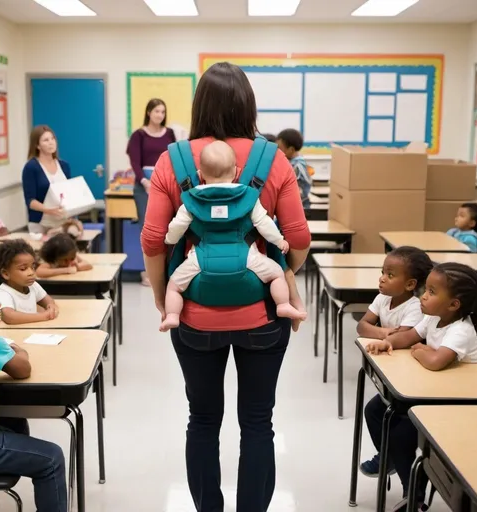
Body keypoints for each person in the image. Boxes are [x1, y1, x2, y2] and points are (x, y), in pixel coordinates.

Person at [141, 62, 310, 512]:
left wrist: (164, 296)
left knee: (202, 420)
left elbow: (154, 239)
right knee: (258, 422)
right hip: (262, 315)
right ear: (248, 105)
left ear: (199, 105)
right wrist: (283, 274)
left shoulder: (172, 160)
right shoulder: (272, 158)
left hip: (194, 317)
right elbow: (298, 238)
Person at [365, 262, 477, 512]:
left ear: (454, 305)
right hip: (433, 392)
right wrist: (389, 342)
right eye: (425, 289)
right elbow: (409, 336)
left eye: (431, 292)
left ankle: (413, 493)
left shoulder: (461, 330)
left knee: (401, 432)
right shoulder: (433, 318)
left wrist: (421, 351)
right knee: (374, 410)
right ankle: (395, 461)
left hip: (459, 402)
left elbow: (436, 361)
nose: (423, 296)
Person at [161, 140, 307, 332]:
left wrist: (169, 240)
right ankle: (282, 305)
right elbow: (264, 223)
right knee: (276, 274)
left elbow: (177, 227)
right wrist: (279, 241)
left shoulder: (192, 199)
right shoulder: (247, 197)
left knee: (173, 286)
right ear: (236, 172)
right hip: (247, 258)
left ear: (200, 174)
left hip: (200, 261)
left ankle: (172, 315)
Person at [0, 261, 67, 512]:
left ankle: (14, 460)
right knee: (51, 458)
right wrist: (16, 348)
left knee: (15, 422)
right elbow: (22, 369)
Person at [357, 247, 433, 479]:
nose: (381, 278)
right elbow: (362, 326)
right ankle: (388, 456)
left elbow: (404, 336)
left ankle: (397, 464)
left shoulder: (414, 307)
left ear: (410, 285)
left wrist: (381, 333)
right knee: (372, 410)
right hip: (395, 370)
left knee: (398, 429)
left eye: (390, 275)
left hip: (411, 378)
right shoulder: (382, 298)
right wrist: (387, 333)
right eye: (383, 272)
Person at [127, 98, 176, 286]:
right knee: (147, 229)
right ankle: (147, 271)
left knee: (169, 228)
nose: (160, 115)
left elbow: (173, 159)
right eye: (156, 111)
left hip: (165, 185)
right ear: (149, 112)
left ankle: (166, 269)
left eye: (163, 112)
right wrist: (145, 181)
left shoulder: (170, 134)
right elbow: (135, 162)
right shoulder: (139, 135)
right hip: (143, 186)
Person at [0, 239, 58, 324]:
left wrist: (51, 307)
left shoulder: (33, 285)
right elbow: (9, 317)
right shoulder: (4, 292)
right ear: (6, 273)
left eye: (33, 267)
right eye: (23, 269)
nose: (31, 273)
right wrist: (43, 316)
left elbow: (48, 300)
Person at [22, 125, 71, 235]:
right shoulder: (31, 167)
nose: (51, 142)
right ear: (37, 145)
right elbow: (30, 200)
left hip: (62, 222)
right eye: (46, 140)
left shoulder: (64, 166)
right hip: (41, 224)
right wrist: (48, 210)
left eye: (52, 139)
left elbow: (68, 193)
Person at [276, 129, 314, 208]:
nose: (277, 151)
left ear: (291, 150)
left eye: (279, 148)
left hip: (301, 205)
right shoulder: (297, 161)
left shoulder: (296, 165)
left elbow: (284, 183)